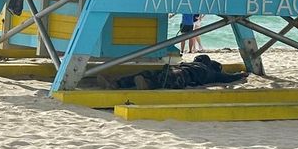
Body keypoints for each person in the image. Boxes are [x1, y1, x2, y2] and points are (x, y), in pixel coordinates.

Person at [98, 55, 248, 90]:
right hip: (181, 73)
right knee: (162, 76)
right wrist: (241, 74)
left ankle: (121, 83)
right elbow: (228, 78)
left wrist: (241, 75)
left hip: (181, 73)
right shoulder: (208, 71)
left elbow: (227, 78)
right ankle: (118, 83)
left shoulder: (209, 72)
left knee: (161, 76)